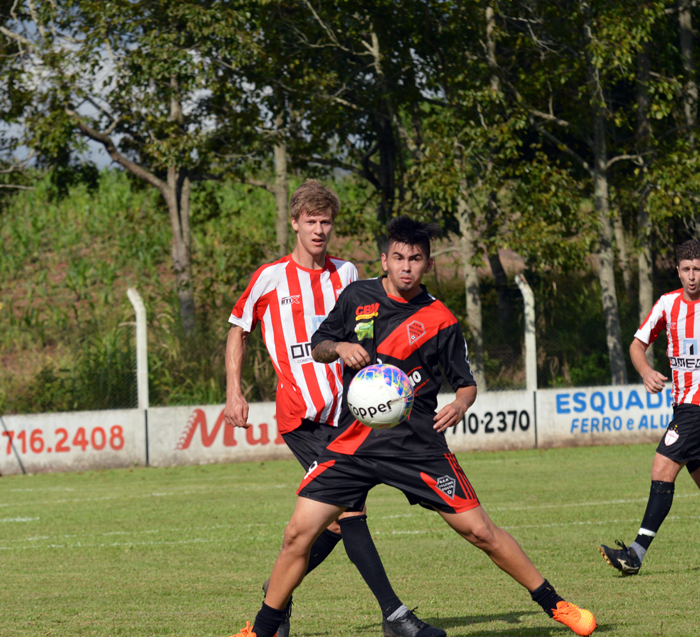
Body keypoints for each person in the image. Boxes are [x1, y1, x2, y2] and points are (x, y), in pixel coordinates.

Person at [230, 216, 597, 637]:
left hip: (417, 445)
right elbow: (320, 345)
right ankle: (260, 631)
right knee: (298, 533)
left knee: (481, 533)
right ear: (384, 261)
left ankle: (557, 605)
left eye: (416, 259)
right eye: (399, 257)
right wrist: (342, 346)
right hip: (354, 444)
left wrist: (460, 404)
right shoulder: (356, 296)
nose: (407, 266)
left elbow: (466, 384)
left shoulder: (440, 319)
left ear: (427, 265)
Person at [225, 182, 445, 637]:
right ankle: (395, 615)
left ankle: (276, 597)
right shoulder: (270, 277)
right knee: (350, 513)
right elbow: (238, 328)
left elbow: (371, 325)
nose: (319, 230)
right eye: (311, 222)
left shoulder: (347, 274)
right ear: (295, 224)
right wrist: (234, 390)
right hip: (301, 417)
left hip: (348, 416)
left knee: (335, 521)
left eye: (326, 222)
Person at [600, 239, 700, 575]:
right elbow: (637, 344)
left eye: (697, 269)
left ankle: (635, 554)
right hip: (682, 405)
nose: (692, 276)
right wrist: (644, 372)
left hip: (695, 408)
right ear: (677, 270)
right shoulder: (667, 305)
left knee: (662, 468)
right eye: (686, 269)